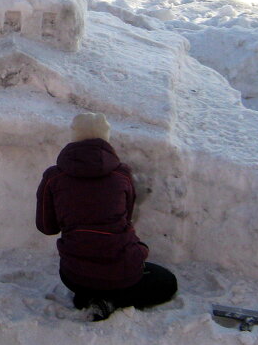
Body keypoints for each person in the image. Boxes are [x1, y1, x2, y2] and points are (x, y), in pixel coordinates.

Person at [36, 113, 178, 321]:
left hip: (75, 275)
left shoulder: (53, 177)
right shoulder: (122, 175)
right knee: (167, 283)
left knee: (87, 281)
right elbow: (126, 219)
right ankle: (111, 300)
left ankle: (91, 298)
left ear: (74, 137)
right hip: (122, 272)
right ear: (106, 138)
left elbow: (46, 227)